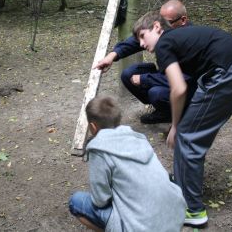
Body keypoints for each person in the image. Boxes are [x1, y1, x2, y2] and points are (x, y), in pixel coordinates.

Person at [133, 11, 232, 227]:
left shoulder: (165, 44)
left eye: (143, 36)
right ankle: (182, 182)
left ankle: (193, 210)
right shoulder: (179, 38)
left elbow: (179, 89)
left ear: (157, 27)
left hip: (230, 72)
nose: (142, 44)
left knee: (187, 136)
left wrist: (174, 125)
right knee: (191, 131)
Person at [68, 96, 186, 231]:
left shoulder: (99, 150)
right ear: (118, 121)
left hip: (143, 228)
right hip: (175, 216)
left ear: (93, 127)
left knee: (75, 201)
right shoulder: (138, 138)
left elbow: (100, 201)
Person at [95, 0, 196, 124]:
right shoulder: (162, 31)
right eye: (159, 21)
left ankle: (179, 113)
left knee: (156, 93)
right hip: (166, 77)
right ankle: (163, 109)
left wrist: (145, 79)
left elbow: (185, 80)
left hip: (189, 86)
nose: (160, 26)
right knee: (128, 74)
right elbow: (137, 40)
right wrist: (112, 55)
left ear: (183, 21)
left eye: (167, 22)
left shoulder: (189, 41)